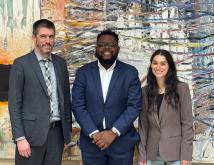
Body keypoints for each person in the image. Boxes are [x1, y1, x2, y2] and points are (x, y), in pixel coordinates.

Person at [71, 29, 142, 165]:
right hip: (92, 144)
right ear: (96, 48)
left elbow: (134, 106)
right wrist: (94, 133)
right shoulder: (83, 73)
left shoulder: (130, 73)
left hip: (121, 145)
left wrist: (114, 132)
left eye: (111, 45)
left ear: (118, 49)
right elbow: (78, 106)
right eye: (102, 44)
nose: (107, 48)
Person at [8, 19, 72, 165]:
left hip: (56, 135)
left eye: (51, 36)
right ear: (34, 37)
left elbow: (66, 100)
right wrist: (20, 138)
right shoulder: (21, 64)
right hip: (30, 137)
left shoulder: (60, 64)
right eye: (43, 36)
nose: (47, 41)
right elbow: (14, 104)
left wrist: (66, 133)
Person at [138, 49, 193, 165]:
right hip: (152, 153)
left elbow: (187, 123)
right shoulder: (144, 91)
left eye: (163, 63)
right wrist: (142, 155)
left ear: (169, 66)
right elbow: (143, 126)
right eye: (155, 63)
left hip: (176, 153)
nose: (158, 67)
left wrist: (186, 154)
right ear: (151, 65)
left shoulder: (182, 89)